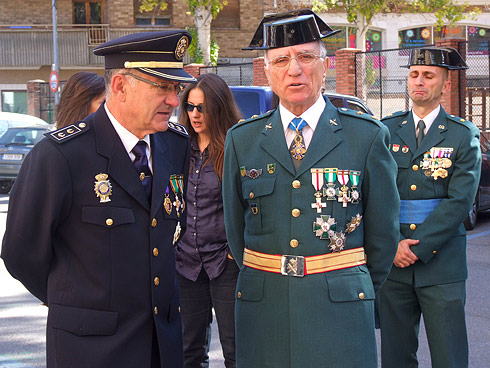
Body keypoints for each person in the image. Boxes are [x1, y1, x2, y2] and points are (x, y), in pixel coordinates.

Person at [1, 30, 197, 368]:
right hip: (91, 350)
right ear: (120, 85)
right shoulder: (61, 155)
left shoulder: (174, 144)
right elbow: (21, 253)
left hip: (161, 346)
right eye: (162, 87)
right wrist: (76, 304)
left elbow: (165, 235)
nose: (174, 101)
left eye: (176, 88)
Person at [222, 9, 400, 368]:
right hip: (264, 310)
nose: (294, 69)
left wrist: (352, 285)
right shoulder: (243, 140)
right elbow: (235, 231)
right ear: (268, 71)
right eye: (281, 60)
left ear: (325, 64)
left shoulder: (365, 136)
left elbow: (383, 237)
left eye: (305, 57)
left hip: (339, 312)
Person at [377, 47, 482, 368]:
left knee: (449, 354)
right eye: (413, 75)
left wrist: (417, 248)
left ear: (445, 85)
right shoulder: (384, 131)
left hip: (442, 265)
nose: (418, 81)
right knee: (395, 354)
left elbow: (459, 201)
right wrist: (392, 243)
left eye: (428, 75)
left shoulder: (463, 136)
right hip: (393, 264)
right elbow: (374, 194)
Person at [175, 73, 241, 368]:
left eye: (202, 107)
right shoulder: (177, 147)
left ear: (218, 106)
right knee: (188, 350)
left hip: (225, 263)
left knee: (236, 349)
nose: (195, 115)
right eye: (190, 107)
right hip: (186, 262)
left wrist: (234, 248)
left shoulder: (236, 146)